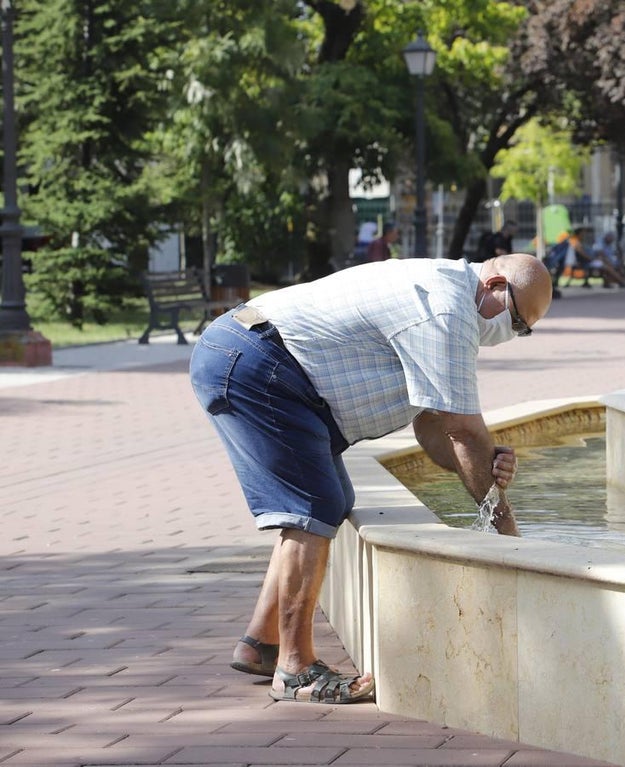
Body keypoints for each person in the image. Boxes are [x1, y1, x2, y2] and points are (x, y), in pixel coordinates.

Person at [189, 254, 553, 705]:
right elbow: (463, 431)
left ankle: (262, 643)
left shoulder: (451, 299)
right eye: (516, 320)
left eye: (524, 330)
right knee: (312, 505)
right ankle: (295, 670)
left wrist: (482, 465)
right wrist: (509, 534)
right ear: (495, 283)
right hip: (255, 360)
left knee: (330, 499)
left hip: (256, 357)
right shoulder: (446, 308)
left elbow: (435, 429)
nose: (511, 334)